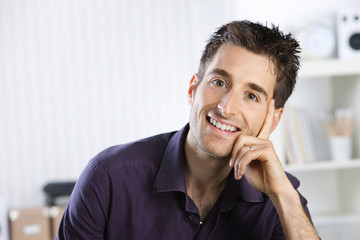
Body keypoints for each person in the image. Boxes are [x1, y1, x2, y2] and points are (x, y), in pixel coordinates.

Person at [57, 20, 319, 239]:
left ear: (273, 119)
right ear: (193, 89)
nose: (226, 108)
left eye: (251, 96)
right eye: (219, 82)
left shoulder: (280, 198)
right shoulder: (108, 178)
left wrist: (283, 195)